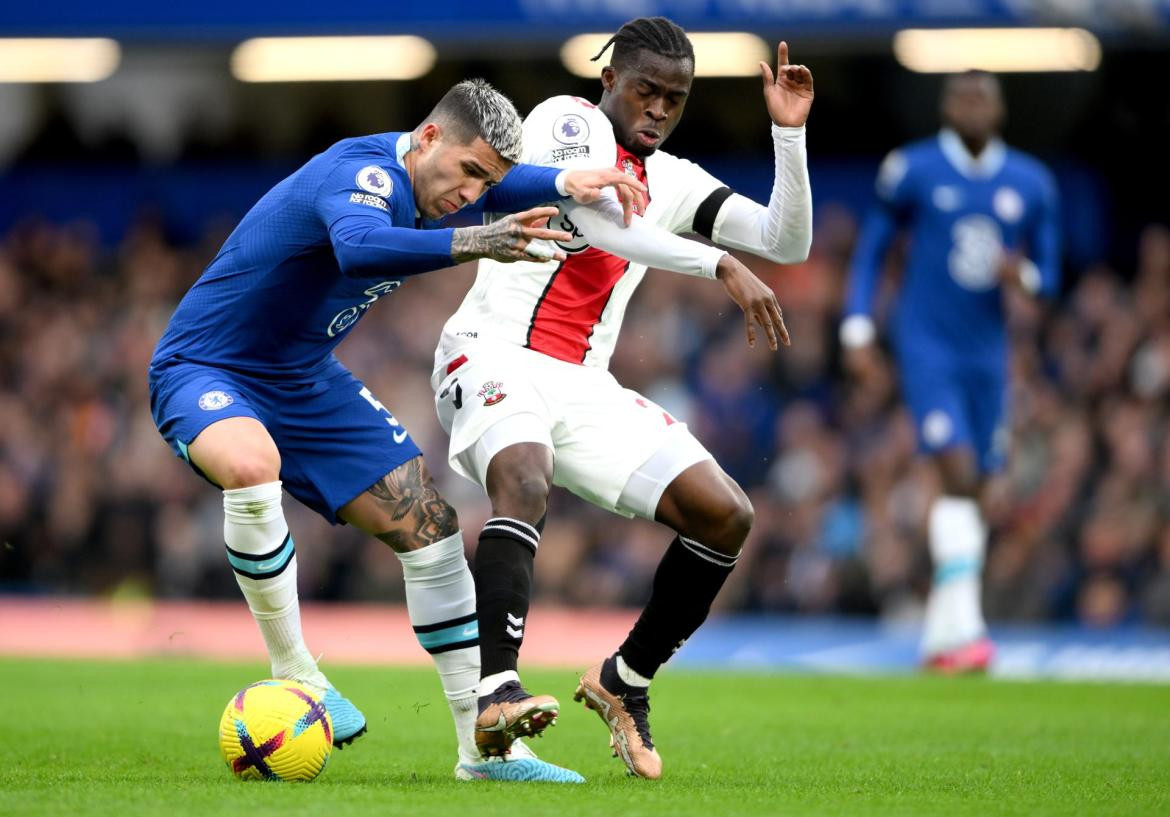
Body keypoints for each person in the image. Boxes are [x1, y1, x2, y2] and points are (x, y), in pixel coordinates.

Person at [148, 78, 644, 783]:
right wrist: (477, 240)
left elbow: (501, 185)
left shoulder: (447, 178)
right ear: (429, 136)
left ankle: (483, 752)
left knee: (432, 526)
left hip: (303, 377)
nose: (474, 193)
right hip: (206, 363)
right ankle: (298, 672)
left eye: (488, 182)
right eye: (469, 172)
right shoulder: (365, 174)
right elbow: (359, 249)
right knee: (252, 461)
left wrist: (566, 177)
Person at [430, 18, 813, 778]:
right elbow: (599, 223)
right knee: (524, 473)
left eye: (675, 98)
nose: (660, 109)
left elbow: (786, 239)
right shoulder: (563, 122)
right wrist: (718, 268)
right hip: (490, 351)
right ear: (610, 80)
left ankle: (624, 681)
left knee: (726, 513)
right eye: (646, 89)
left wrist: (788, 138)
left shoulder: (674, 180)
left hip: (584, 386)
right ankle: (497, 690)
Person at [842, 70, 1060, 673]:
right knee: (958, 470)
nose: (971, 106)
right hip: (926, 345)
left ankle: (942, 635)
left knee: (983, 487)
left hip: (989, 354)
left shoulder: (1030, 182)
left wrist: (1028, 278)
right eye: (961, 96)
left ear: (999, 108)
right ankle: (967, 630)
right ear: (945, 106)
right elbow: (872, 249)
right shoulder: (912, 169)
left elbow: (1050, 269)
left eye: (982, 97)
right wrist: (858, 325)